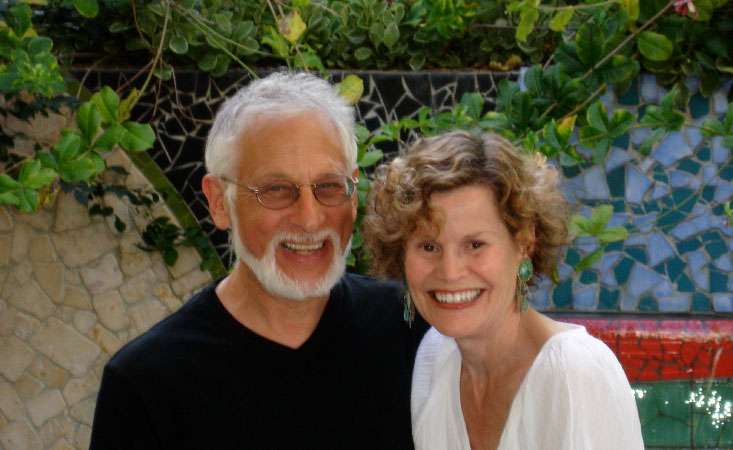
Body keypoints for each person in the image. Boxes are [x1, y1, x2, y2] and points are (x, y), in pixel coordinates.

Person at [90, 72, 426, 450]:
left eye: (328, 186)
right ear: (219, 202)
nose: (309, 218)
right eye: (276, 190)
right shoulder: (147, 384)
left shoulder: (412, 330)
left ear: (351, 191)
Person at [363, 131, 644, 450]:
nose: (450, 272)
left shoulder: (573, 373)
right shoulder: (434, 358)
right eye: (428, 246)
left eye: (475, 244)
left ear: (525, 242)